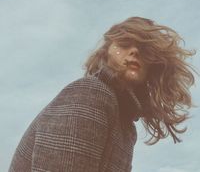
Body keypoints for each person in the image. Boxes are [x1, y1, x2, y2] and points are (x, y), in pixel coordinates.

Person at [8, 16, 196, 172]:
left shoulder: (125, 123)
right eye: (124, 43)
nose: (134, 51)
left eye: (144, 48)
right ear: (106, 54)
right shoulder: (91, 93)